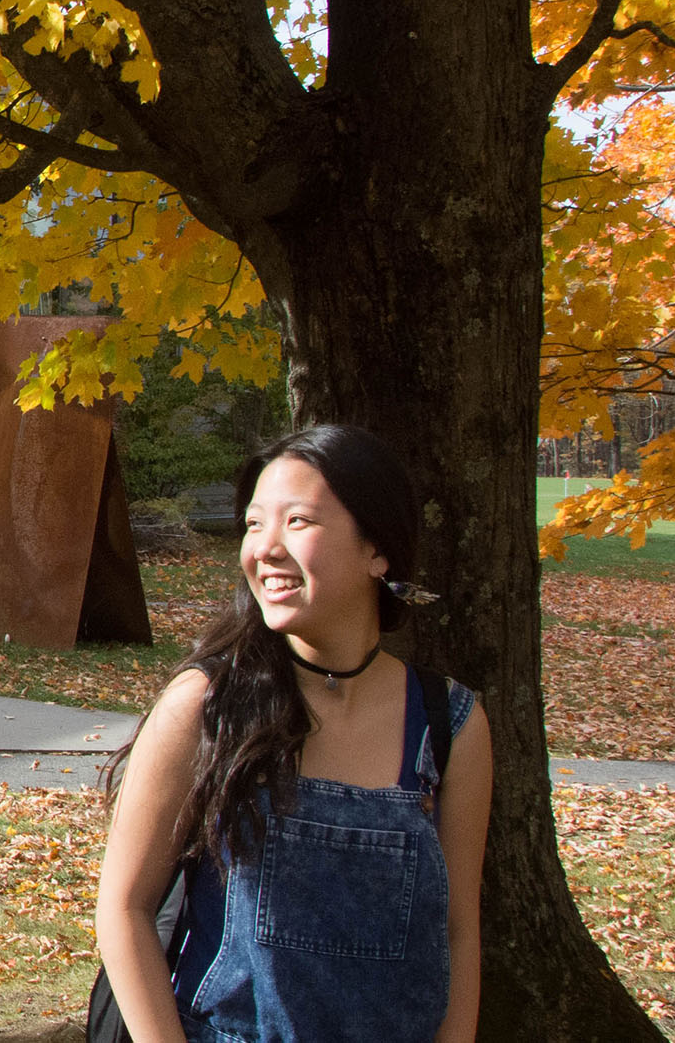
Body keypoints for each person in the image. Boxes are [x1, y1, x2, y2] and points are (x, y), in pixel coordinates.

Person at [93, 425, 492, 1043]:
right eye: (254, 525)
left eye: (297, 521)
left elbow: (458, 930)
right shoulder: (206, 705)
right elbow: (125, 910)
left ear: (378, 550)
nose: (265, 548)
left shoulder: (448, 723)